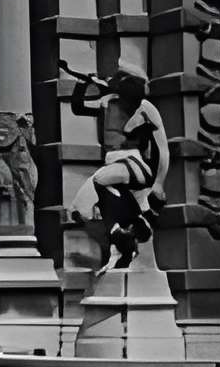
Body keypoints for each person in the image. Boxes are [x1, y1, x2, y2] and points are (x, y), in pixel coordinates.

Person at [64, 61, 172, 273]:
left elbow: (163, 149)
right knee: (79, 210)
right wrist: (80, 83)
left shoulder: (146, 108)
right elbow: (78, 107)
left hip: (132, 164)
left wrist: (159, 183)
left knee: (101, 180)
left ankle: (132, 224)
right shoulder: (107, 102)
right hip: (111, 163)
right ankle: (122, 244)